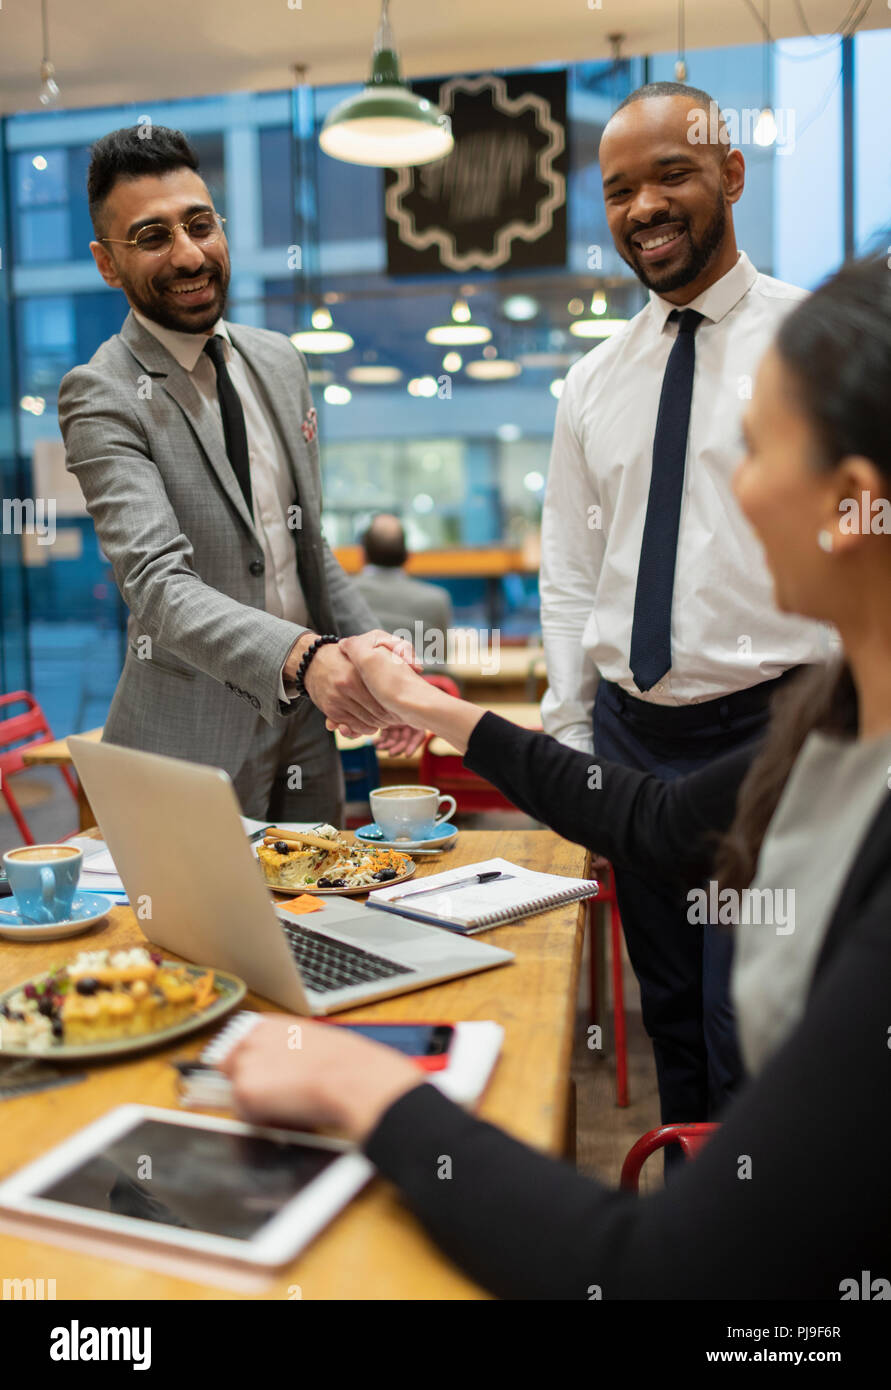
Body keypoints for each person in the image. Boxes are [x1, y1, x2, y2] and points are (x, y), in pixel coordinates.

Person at [223, 255, 891, 1298]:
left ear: (851, 506)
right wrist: (441, 711)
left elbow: (655, 1271)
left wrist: (370, 1091)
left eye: (757, 449)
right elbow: (659, 822)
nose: (734, 484)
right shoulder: (836, 721)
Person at [539, 82, 831, 1133]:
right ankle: (684, 1229)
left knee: (743, 1020)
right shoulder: (592, 381)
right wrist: (571, 735)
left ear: (732, 175)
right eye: (620, 190)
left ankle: (753, 1257)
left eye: (671, 175)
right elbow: (573, 571)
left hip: (771, 734)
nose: (644, 208)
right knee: (667, 1018)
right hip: (627, 738)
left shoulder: (816, 342)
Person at [58, 126, 421, 825]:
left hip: (306, 728)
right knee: (197, 935)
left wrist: (383, 666)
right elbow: (159, 590)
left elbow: (305, 546)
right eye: (153, 236)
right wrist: (306, 656)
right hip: (186, 737)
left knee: (315, 922)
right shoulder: (99, 391)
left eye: (200, 224)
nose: (190, 253)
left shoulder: (279, 361)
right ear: (109, 264)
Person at [354, 514, 454, 670]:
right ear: (407, 555)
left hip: (362, 690)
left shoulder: (343, 597)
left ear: (362, 554)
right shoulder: (436, 600)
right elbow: (441, 660)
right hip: (423, 689)